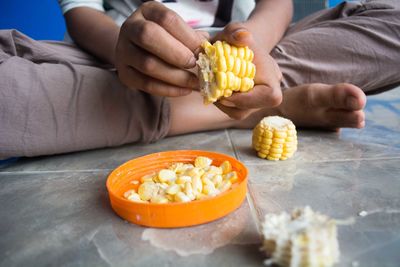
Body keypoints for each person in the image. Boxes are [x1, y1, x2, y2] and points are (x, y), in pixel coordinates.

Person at [0, 0, 399, 158]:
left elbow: (278, 3)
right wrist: (128, 53)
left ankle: (256, 90)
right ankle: (262, 106)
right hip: (120, 60)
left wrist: (249, 48)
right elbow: (81, 12)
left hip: (258, 43)